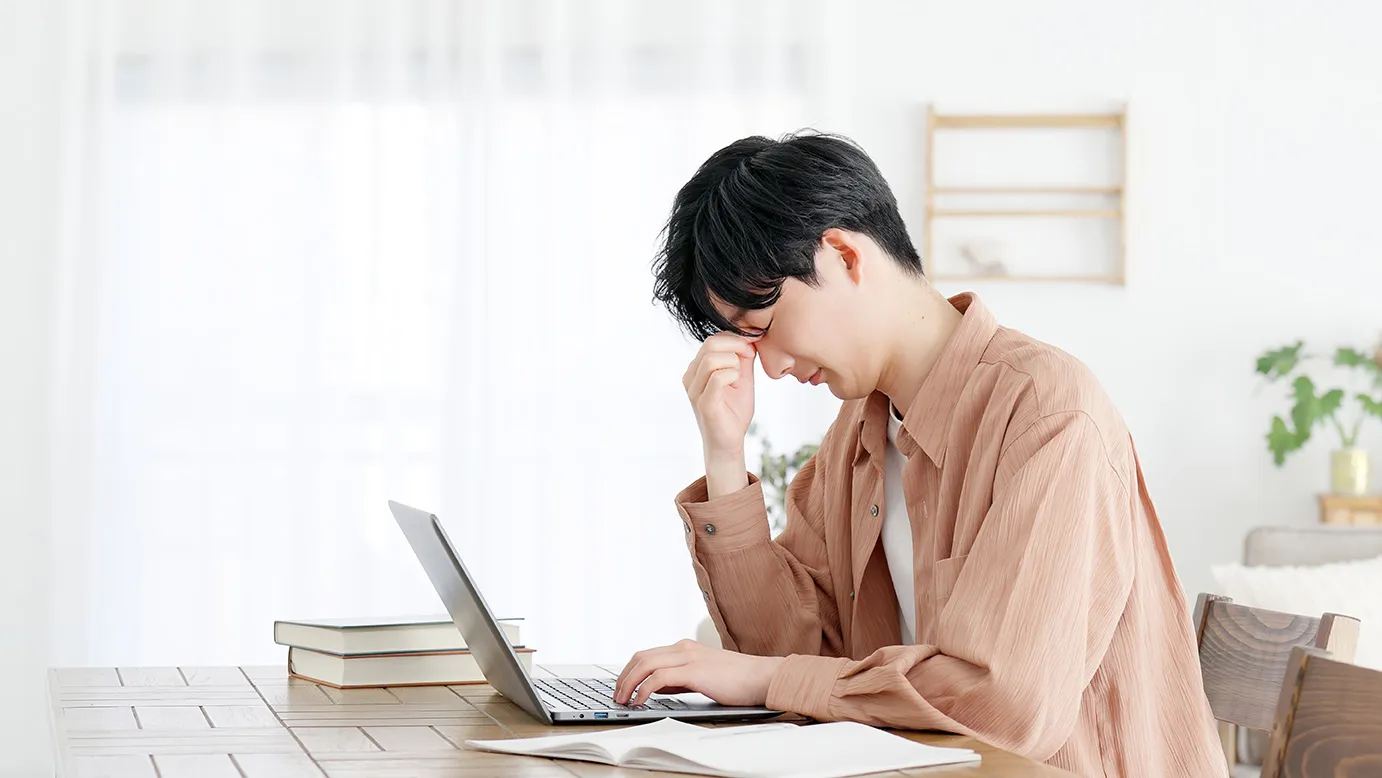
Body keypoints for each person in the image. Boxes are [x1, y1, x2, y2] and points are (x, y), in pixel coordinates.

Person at [611, 131, 1225, 777]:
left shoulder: (1047, 415)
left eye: (761, 327)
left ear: (843, 256)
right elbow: (787, 651)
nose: (766, 365)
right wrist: (724, 453)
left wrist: (768, 679)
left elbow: (1005, 705)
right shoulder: (858, 433)